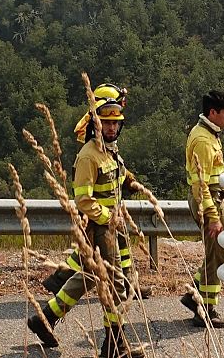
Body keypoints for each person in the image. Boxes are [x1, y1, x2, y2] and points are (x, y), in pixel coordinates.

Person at [26, 96, 146, 358]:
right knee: (116, 284)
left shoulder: (110, 151)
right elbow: (83, 199)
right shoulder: (88, 156)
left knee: (89, 277)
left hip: (112, 225)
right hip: (100, 228)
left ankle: (43, 318)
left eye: (116, 123)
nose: (112, 128)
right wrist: (107, 218)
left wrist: (129, 181)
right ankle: (114, 343)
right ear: (96, 124)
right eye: (107, 123)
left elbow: (116, 176)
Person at [41, 83, 147, 296]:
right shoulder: (92, 144)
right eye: (119, 101)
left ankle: (127, 284)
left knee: (117, 247)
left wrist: (126, 177)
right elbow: (95, 173)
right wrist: (108, 215)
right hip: (98, 209)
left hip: (109, 209)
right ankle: (59, 286)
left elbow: (112, 160)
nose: (122, 106)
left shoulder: (108, 130)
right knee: (91, 258)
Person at [182, 90, 224, 328]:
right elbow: (200, 185)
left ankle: (194, 296)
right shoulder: (203, 141)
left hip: (216, 200)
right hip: (208, 203)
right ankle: (206, 309)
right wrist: (213, 215)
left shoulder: (210, 133)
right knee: (217, 255)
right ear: (212, 113)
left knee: (217, 253)